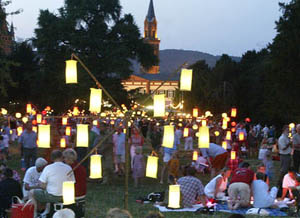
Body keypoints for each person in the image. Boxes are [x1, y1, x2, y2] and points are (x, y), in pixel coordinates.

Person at [63, 148, 86, 217]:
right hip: (82, 192)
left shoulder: (69, 169)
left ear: (68, 158)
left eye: (64, 158)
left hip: (73, 193)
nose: (64, 160)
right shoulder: (81, 167)